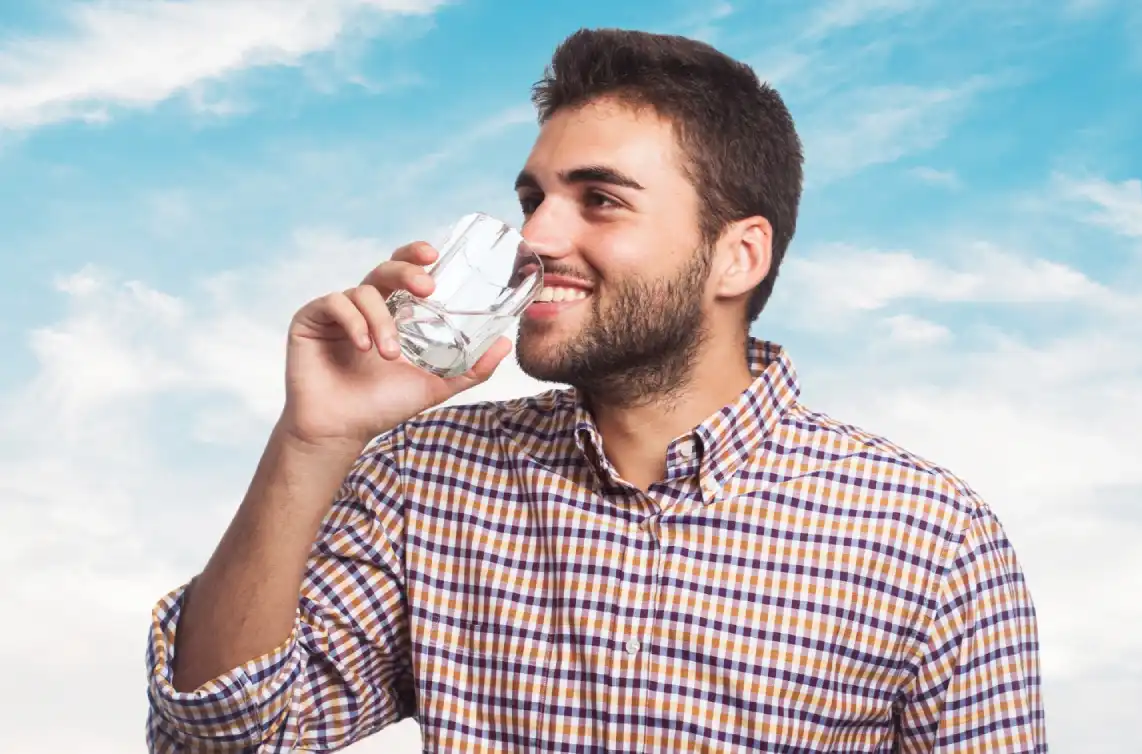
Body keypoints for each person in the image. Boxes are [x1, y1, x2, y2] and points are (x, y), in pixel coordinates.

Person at [145, 28, 1046, 753]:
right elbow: (220, 741)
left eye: (600, 199)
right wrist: (313, 440)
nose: (536, 237)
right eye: (532, 198)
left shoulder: (933, 540)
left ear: (739, 256)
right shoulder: (424, 481)